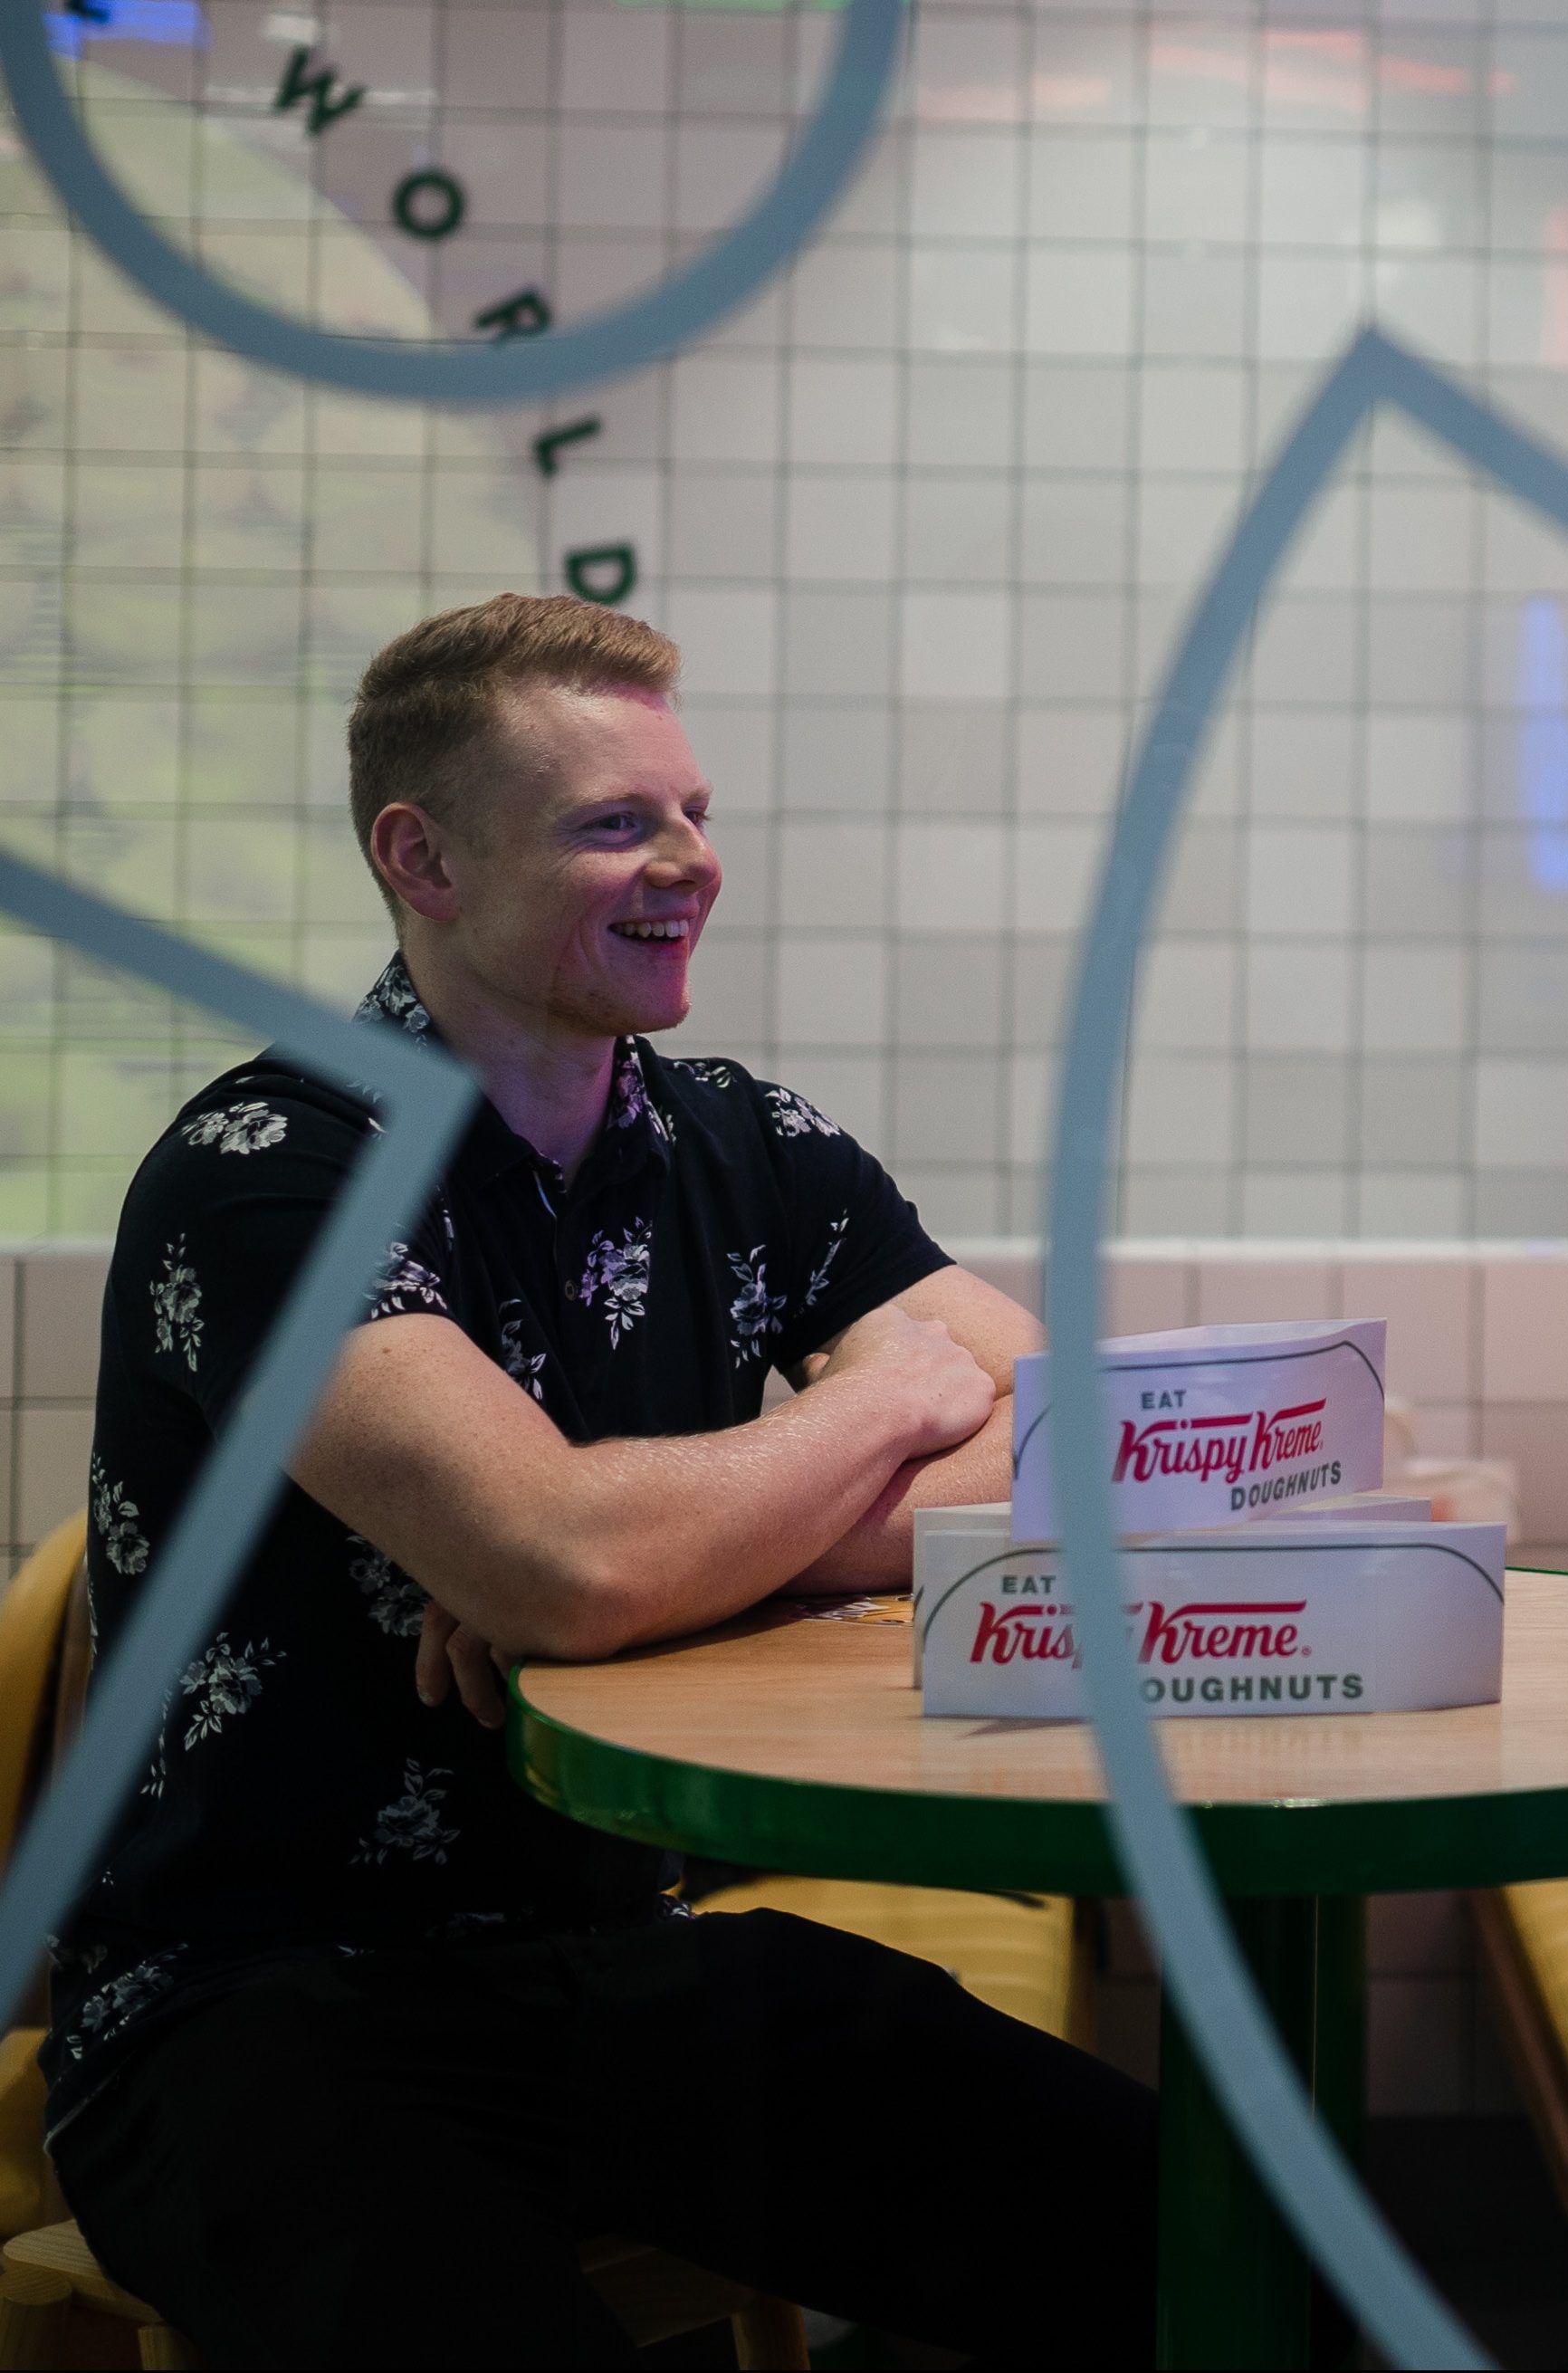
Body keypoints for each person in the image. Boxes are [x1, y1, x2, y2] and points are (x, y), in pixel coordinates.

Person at [51, 595, 1152, 2366]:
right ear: (422, 857)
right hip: (250, 2005)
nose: (689, 862)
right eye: (615, 823)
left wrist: (667, 1563)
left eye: (696, 812)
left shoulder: (747, 1144)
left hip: (604, 1961)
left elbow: (1082, 1440)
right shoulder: (263, 1172)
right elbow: (567, 1564)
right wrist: (862, 1420)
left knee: (1190, 2239)